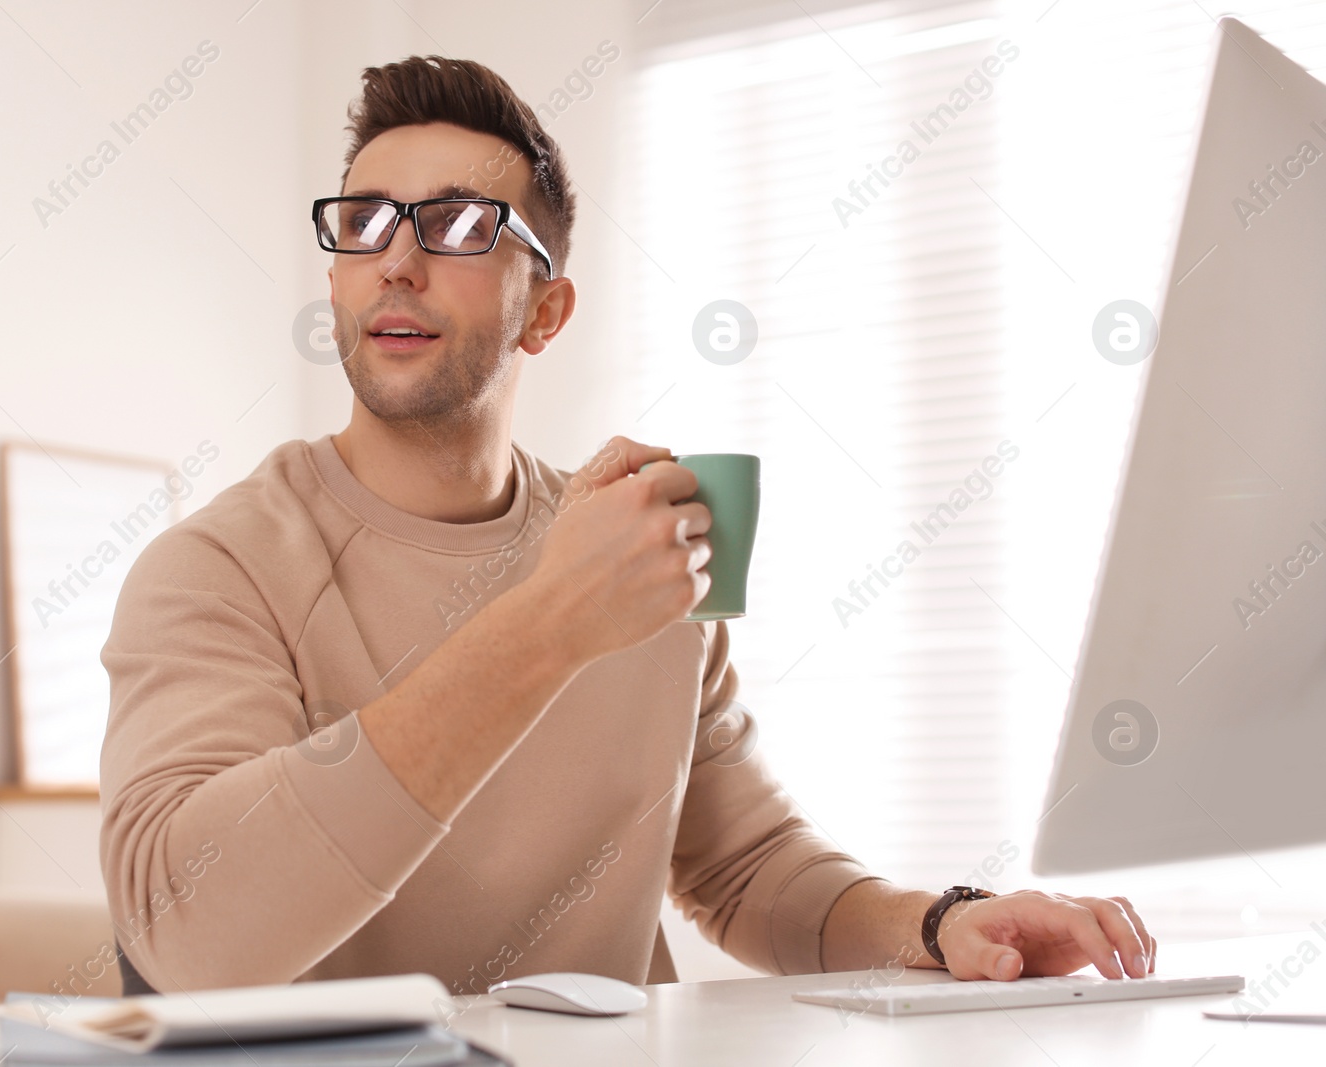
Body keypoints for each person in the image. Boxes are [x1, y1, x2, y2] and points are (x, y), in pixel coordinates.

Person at [98, 54, 1155, 1000]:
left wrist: (939, 925)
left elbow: (748, 870)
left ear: (546, 311)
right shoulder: (214, 567)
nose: (397, 261)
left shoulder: (637, 551)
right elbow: (185, 940)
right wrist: (550, 622)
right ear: (333, 275)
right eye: (364, 221)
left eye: (460, 226)